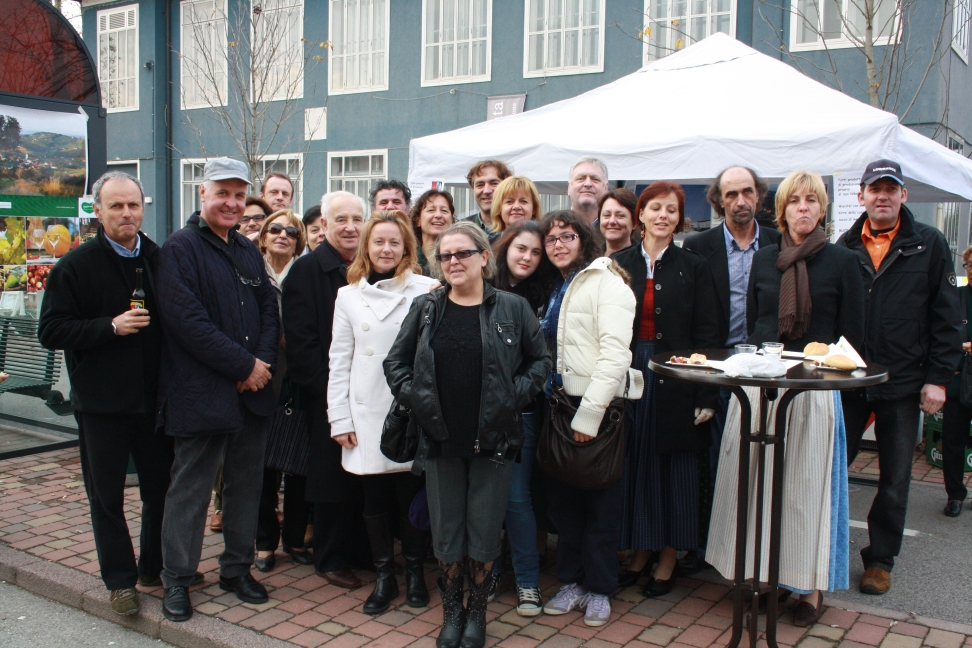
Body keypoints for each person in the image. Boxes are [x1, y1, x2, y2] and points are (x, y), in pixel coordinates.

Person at [708, 170, 865, 627]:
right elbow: (756, 326)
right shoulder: (766, 260)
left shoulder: (841, 261)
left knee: (805, 492)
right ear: (782, 210)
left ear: (822, 209)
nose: (803, 208)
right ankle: (769, 578)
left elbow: (852, 339)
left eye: (811, 200)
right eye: (794, 201)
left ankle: (810, 588)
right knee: (760, 486)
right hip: (765, 387)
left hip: (814, 391)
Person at [384, 221, 549, 648]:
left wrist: (511, 397)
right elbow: (395, 363)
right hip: (439, 439)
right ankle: (451, 614)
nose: (453, 261)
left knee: (484, 529)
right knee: (447, 531)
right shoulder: (425, 308)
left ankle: (477, 613)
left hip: (494, 440)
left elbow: (540, 361)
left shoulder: (513, 308)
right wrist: (417, 397)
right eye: (445, 256)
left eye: (462, 253)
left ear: (483, 257)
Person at [38, 171, 175, 617]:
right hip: (101, 406)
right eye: (115, 206)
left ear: (143, 208)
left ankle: (153, 567)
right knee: (107, 498)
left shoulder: (158, 258)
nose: (126, 214)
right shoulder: (73, 267)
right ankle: (120, 582)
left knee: (160, 491)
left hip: (154, 402)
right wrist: (109, 327)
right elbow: (51, 330)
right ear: (97, 211)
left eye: (133, 205)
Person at [155, 158, 280, 622]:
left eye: (238, 195)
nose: (231, 202)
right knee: (191, 489)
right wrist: (243, 364)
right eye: (222, 193)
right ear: (202, 194)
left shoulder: (248, 251)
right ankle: (178, 580)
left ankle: (236, 568)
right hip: (202, 392)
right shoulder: (180, 248)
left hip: (253, 390)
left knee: (246, 486)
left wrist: (261, 364)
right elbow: (187, 322)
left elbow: (270, 309)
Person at [836, 159, 962, 595]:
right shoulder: (846, 244)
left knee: (893, 479)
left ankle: (880, 560)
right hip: (849, 381)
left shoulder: (928, 243)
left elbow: (948, 317)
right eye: (875, 189)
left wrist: (939, 379)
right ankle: (824, 547)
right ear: (862, 195)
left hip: (904, 381)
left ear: (903, 195)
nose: (883, 196)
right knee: (832, 467)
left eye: (891, 189)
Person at [612, 182, 721, 598]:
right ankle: (640, 551)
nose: (662, 215)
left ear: (679, 218)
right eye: (654, 207)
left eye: (671, 210)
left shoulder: (694, 266)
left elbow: (708, 333)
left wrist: (706, 393)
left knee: (676, 471)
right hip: (630, 372)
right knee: (636, 465)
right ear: (639, 214)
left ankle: (670, 556)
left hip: (678, 376)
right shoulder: (618, 262)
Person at [328, 210, 438, 614]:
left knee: (409, 498)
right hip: (365, 412)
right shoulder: (348, 294)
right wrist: (338, 418)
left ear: (407, 246)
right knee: (373, 499)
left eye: (394, 242)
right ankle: (383, 577)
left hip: (410, 411)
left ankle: (413, 575)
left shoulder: (429, 289)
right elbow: (339, 359)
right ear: (366, 247)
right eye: (378, 242)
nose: (386, 249)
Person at [538, 210, 635, 627]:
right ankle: (572, 581)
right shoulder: (561, 287)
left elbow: (616, 354)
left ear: (585, 241)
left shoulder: (608, 283)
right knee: (567, 506)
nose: (558, 244)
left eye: (567, 236)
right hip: (559, 407)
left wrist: (589, 415)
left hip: (598, 411)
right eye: (551, 239)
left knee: (601, 506)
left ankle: (599, 589)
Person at [680, 166, 780, 572]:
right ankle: (709, 548)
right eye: (731, 194)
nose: (740, 200)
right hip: (715, 370)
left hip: (762, 368)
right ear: (718, 200)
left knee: (757, 463)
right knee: (711, 464)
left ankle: (750, 547)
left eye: (747, 192)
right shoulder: (698, 245)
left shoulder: (778, 243)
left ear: (759, 196)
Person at [282, 190, 371, 590]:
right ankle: (330, 557)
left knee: (364, 476)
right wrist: (330, 393)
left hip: (369, 395)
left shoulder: (370, 267)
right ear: (324, 225)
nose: (350, 226)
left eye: (357, 218)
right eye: (341, 219)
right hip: (327, 395)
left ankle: (360, 552)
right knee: (331, 480)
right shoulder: (307, 271)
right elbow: (301, 344)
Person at [489, 220, 556, 615]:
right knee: (487, 500)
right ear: (505, 248)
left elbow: (539, 362)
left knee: (516, 498)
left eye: (535, 252)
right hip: (478, 414)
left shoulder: (544, 297)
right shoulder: (480, 288)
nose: (528, 257)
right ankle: (490, 570)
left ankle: (528, 581)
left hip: (522, 411)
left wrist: (515, 396)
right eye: (521, 249)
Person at [253, 210, 311, 572]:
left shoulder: (304, 275)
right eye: (275, 228)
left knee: (298, 465)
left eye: (292, 231)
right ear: (263, 235)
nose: (283, 235)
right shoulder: (250, 272)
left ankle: (293, 538)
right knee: (261, 468)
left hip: (298, 378)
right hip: (258, 377)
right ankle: (263, 542)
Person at [941, 247, 972, 517]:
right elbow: (944, 334)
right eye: (969, 265)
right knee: (952, 440)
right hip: (957, 380)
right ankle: (955, 495)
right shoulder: (957, 297)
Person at [410, 189, 456, 274]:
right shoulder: (407, 259)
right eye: (431, 210)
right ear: (417, 220)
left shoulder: (459, 258)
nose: (438, 215)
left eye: (444, 211)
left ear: (452, 221)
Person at [462, 159, 513, 233]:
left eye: (494, 183)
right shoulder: (461, 230)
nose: (486, 191)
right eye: (480, 185)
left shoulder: (521, 228)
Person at [488, 176, 542, 244]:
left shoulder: (543, 244)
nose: (516, 206)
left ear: (534, 208)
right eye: (509, 201)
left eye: (523, 201)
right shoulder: (488, 246)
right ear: (499, 208)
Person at [567, 158, 609, 226]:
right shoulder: (552, 230)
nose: (588, 184)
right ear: (569, 188)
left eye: (595, 179)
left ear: (606, 189)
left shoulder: (617, 231)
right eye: (580, 179)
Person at [598, 188, 638, 256]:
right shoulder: (588, 259)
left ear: (634, 222)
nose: (612, 221)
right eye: (607, 215)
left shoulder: (645, 261)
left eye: (620, 215)